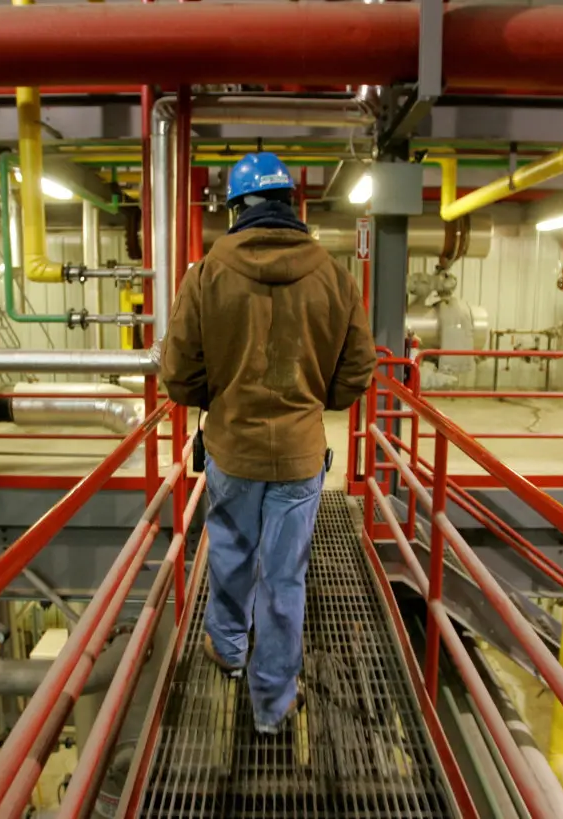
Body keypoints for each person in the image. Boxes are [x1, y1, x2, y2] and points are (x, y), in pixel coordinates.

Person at [160, 152, 376, 734]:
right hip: (302, 456)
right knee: (285, 578)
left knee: (230, 554)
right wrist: (317, 401)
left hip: (233, 450)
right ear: (291, 206)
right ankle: (274, 703)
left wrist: (222, 396)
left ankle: (229, 650)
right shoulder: (334, 275)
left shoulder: (204, 274)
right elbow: (358, 370)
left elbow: (178, 376)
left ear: (235, 210)